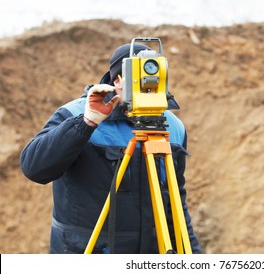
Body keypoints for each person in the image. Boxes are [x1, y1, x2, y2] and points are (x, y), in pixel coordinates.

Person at [20, 42, 201, 254]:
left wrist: (193, 257)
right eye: (139, 77)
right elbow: (34, 168)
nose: (148, 84)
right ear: (118, 80)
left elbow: (175, 203)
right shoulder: (76, 114)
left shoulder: (174, 127)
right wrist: (86, 123)